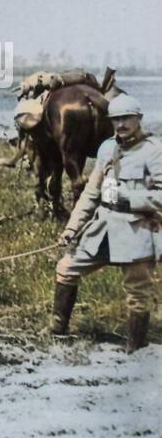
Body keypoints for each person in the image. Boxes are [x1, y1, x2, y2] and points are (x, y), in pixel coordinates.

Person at [51, 93, 161, 352]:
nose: (121, 124)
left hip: (138, 230)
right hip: (104, 229)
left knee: (138, 293)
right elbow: (91, 193)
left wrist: (126, 198)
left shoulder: (154, 152)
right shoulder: (106, 149)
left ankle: (136, 347)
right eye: (116, 119)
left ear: (139, 119)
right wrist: (71, 228)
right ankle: (57, 331)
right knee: (66, 268)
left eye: (127, 118)